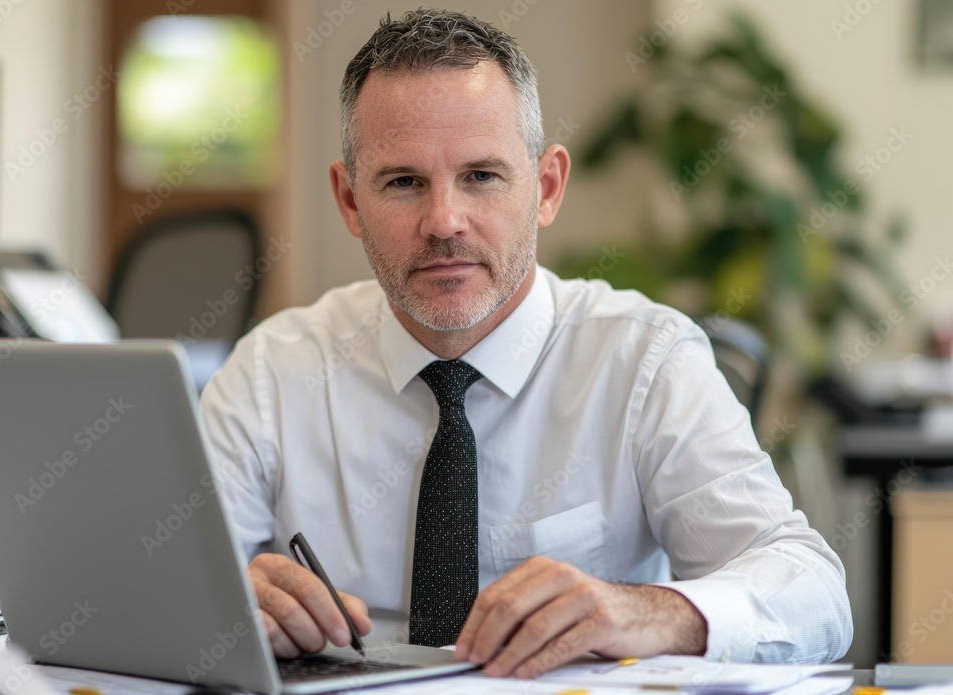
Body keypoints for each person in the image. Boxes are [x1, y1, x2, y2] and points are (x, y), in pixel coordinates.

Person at [200, 7, 852, 679]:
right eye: (403, 182)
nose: (444, 221)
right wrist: (216, 605)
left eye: (481, 176)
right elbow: (135, 583)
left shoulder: (644, 361)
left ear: (546, 188)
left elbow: (813, 593)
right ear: (349, 201)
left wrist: (644, 611)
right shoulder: (272, 370)